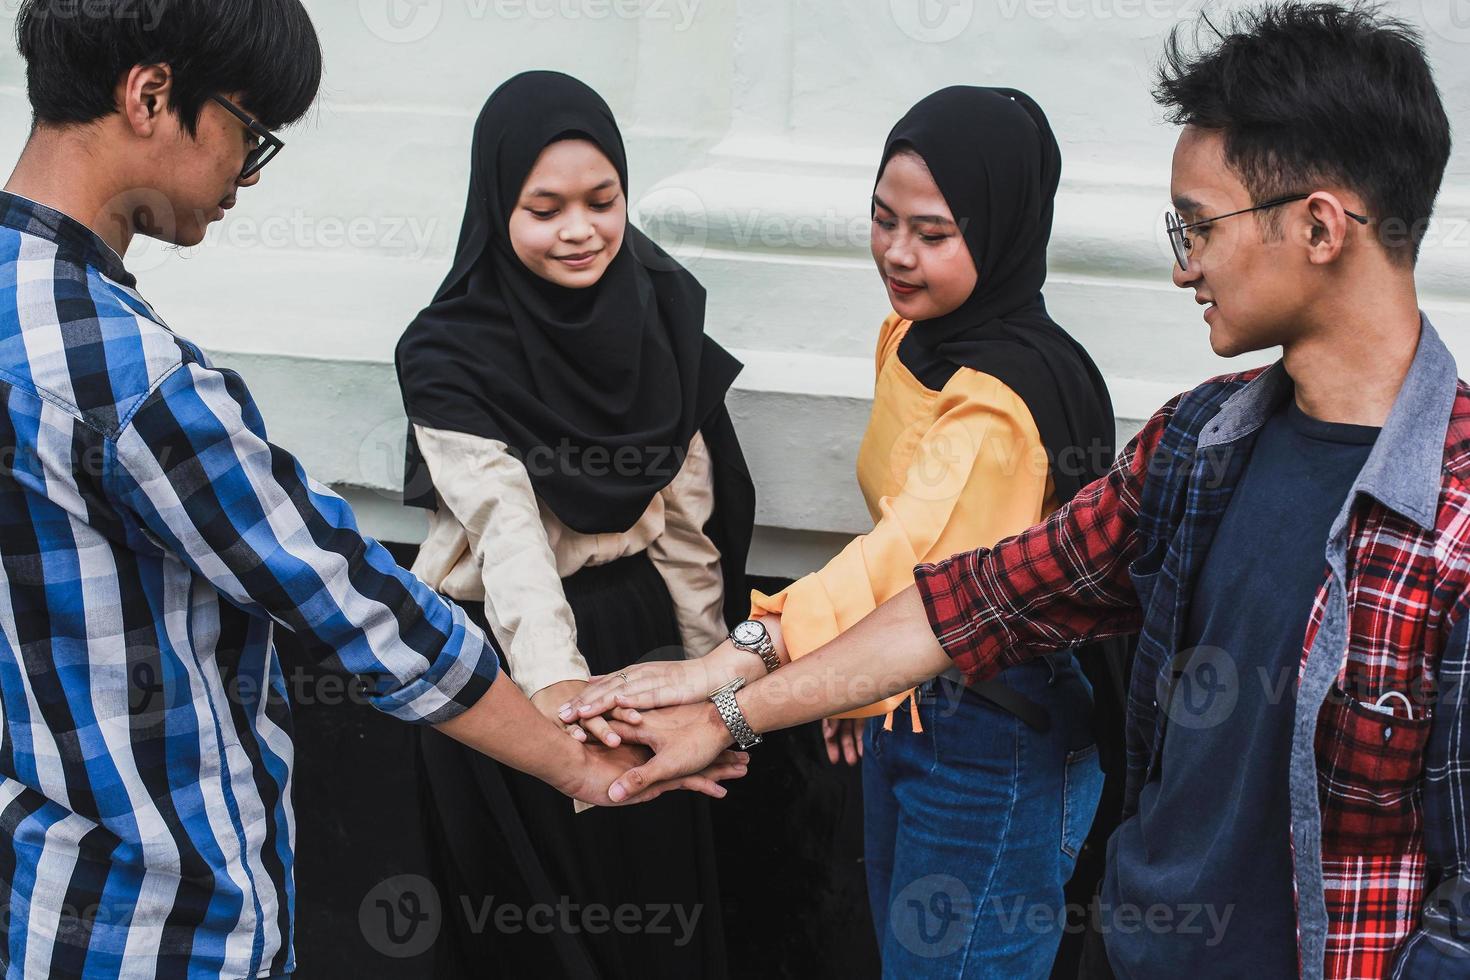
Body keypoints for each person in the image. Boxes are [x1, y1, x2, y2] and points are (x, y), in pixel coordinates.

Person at [564, 3, 1468, 976]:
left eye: (1198, 225)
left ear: (1321, 226)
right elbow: (981, 595)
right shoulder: (1200, 444)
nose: (1180, 265)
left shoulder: (1453, 526)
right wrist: (725, 696)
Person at [0, 5, 745, 977]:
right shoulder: (129, 376)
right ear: (149, 96)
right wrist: (580, 758)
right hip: (165, 918)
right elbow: (355, 596)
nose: (248, 174)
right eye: (248, 129)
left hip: (36, 892)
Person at [599, 85, 1118, 976]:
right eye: (883, 220)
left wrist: (733, 665)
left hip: (996, 728)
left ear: (1000, 232)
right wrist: (861, 687)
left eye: (933, 233)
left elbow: (903, 557)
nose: (897, 253)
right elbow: (905, 519)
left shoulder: (1005, 398)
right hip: (911, 697)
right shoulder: (915, 337)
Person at [394, 71, 755, 978]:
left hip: (639, 638)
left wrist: (712, 685)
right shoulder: (448, 350)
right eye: (543, 208)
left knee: (649, 917)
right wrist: (561, 707)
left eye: (602, 201)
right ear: (496, 209)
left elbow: (686, 523)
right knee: (530, 932)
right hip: (509, 666)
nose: (580, 230)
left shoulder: (662, 310)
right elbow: (506, 533)